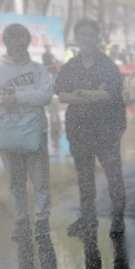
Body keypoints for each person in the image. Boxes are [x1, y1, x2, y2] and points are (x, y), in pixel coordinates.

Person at [55, 19, 127, 238]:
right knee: (85, 177)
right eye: (82, 34)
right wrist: (94, 95)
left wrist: (80, 93)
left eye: (91, 34)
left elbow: (110, 94)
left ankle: (118, 217)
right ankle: (88, 218)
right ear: (76, 38)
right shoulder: (70, 67)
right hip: (79, 130)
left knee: (113, 174)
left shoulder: (108, 66)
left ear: (97, 37)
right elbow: (62, 94)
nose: (87, 39)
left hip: (107, 129)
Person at [0, 23, 53, 240]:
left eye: (23, 38)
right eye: (13, 38)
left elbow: (46, 96)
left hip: (35, 131)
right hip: (8, 132)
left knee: (40, 180)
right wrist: (1, 101)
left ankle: (42, 221)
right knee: (15, 182)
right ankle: (22, 221)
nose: (19, 42)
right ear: (6, 42)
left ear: (28, 42)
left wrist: (17, 97)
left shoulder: (38, 69)